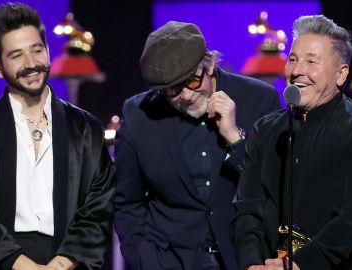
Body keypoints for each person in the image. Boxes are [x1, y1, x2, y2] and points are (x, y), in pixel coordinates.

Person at [0, 3, 115, 270]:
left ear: (48, 51)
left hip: (68, 262)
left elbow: (99, 209)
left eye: (37, 50)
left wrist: (58, 266)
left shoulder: (85, 129)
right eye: (16, 55)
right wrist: (24, 266)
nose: (31, 64)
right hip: (3, 263)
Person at [114, 21, 281, 270]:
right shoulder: (139, 114)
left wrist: (236, 139)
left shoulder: (259, 99)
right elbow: (127, 201)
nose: (187, 95)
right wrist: (143, 258)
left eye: (192, 81)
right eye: (173, 89)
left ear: (210, 64)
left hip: (243, 260)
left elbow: (275, 187)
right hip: (169, 261)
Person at [233, 15, 352, 270]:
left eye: (311, 61)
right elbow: (248, 208)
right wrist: (251, 263)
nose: (297, 71)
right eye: (293, 59)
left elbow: (351, 221)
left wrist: (297, 266)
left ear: (341, 74)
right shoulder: (265, 129)